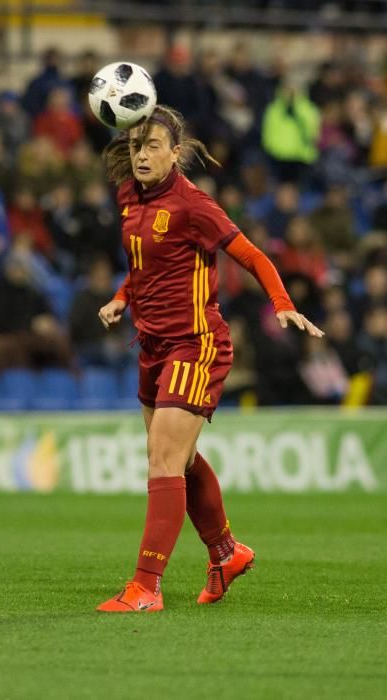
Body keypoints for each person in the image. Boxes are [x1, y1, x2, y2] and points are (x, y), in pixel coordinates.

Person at [95, 105, 322, 612]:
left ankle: (145, 588)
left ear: (175, 153)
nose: (143, 155)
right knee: (184, 461)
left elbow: (254, 256)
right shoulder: (128, 196)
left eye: (154, 146)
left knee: (163, 461)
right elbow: (145, 267)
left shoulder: (194, 205)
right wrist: (120, 298)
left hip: (196, 345)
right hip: (151, 346)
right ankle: (225, 552)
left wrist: (283, 305)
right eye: (136, 147)